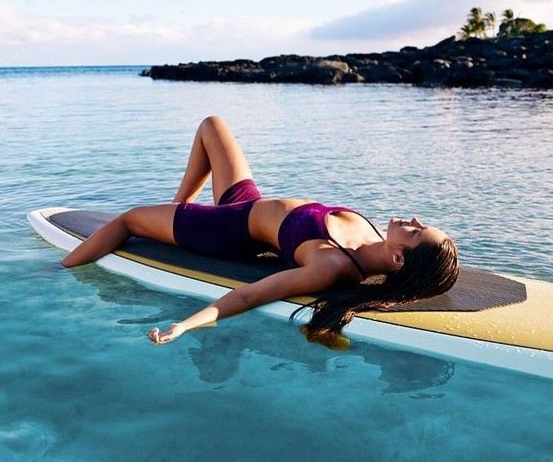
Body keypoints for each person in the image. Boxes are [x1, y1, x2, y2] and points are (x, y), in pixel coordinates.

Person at [62, 116, 459, 348]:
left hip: (226, 230)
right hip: (245, 201)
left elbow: (249, 294)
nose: (413, 221)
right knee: (211, 125)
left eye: (416, 232)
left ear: (398, 258)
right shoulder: (372, 235)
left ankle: (60, 267)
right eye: (421, 224)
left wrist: (184, 325)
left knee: (129, 219)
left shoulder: (332, 266)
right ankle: (176, 209)